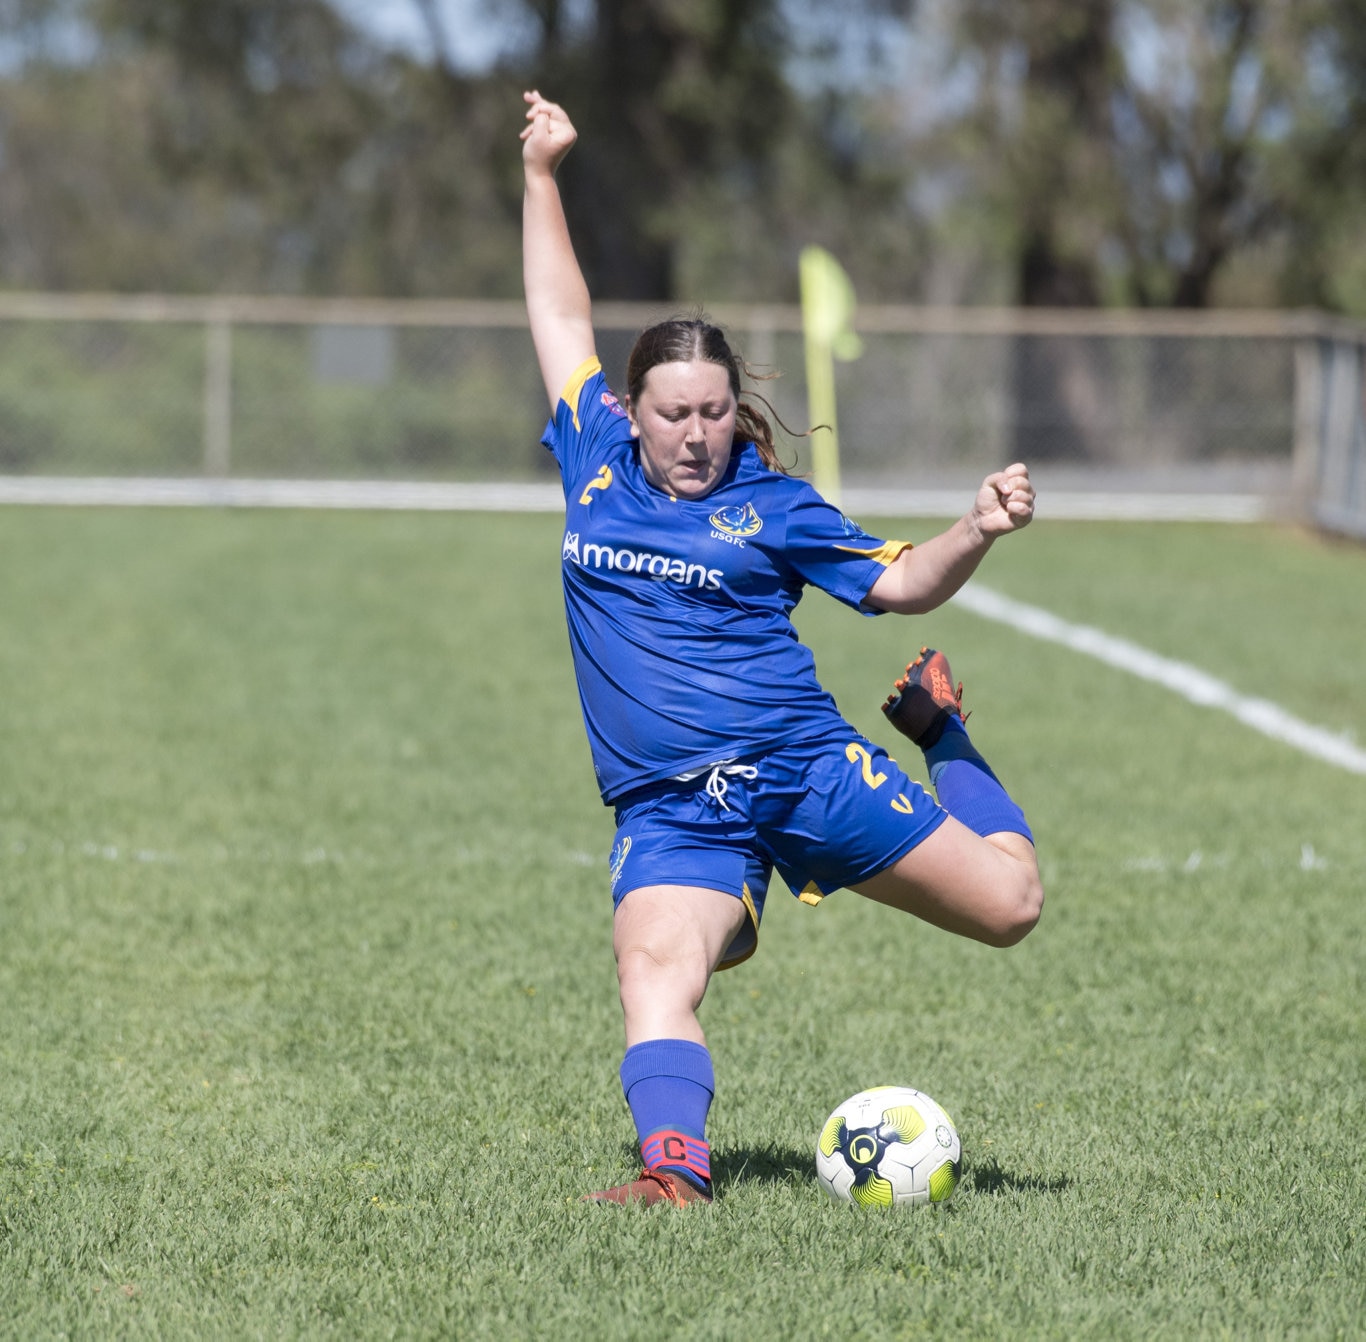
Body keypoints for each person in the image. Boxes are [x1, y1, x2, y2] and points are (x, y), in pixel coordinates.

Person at [520, 90, 1043, 1207]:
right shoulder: (592, 454)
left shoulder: (777, 506)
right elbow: (561, 317)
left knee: (1010, 908)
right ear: (633, 409)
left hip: (802, 768)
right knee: (654, 965)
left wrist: (975, 529)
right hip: (669, 804)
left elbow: (901, 582)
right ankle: (675, 1176)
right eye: (674, 414)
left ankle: (941, 732)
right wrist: (542, 176)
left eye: (713, 410)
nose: (697, 432)